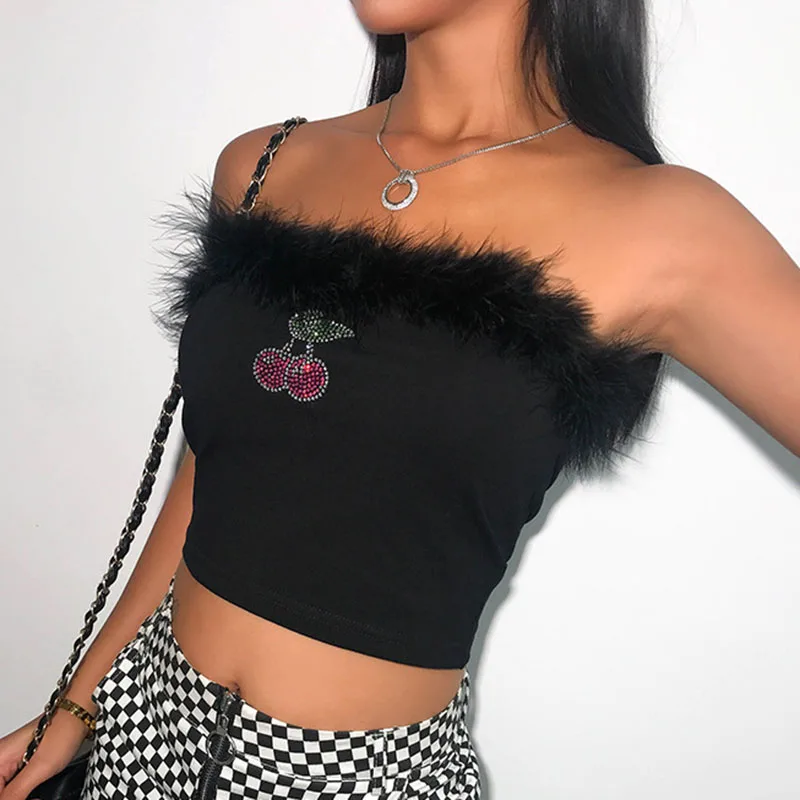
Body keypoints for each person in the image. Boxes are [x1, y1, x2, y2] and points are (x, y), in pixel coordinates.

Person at [2, 1, 799, 798]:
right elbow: (215, 470)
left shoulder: (660, 226)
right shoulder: (263, 165)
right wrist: (81, 702)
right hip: (144, 743)